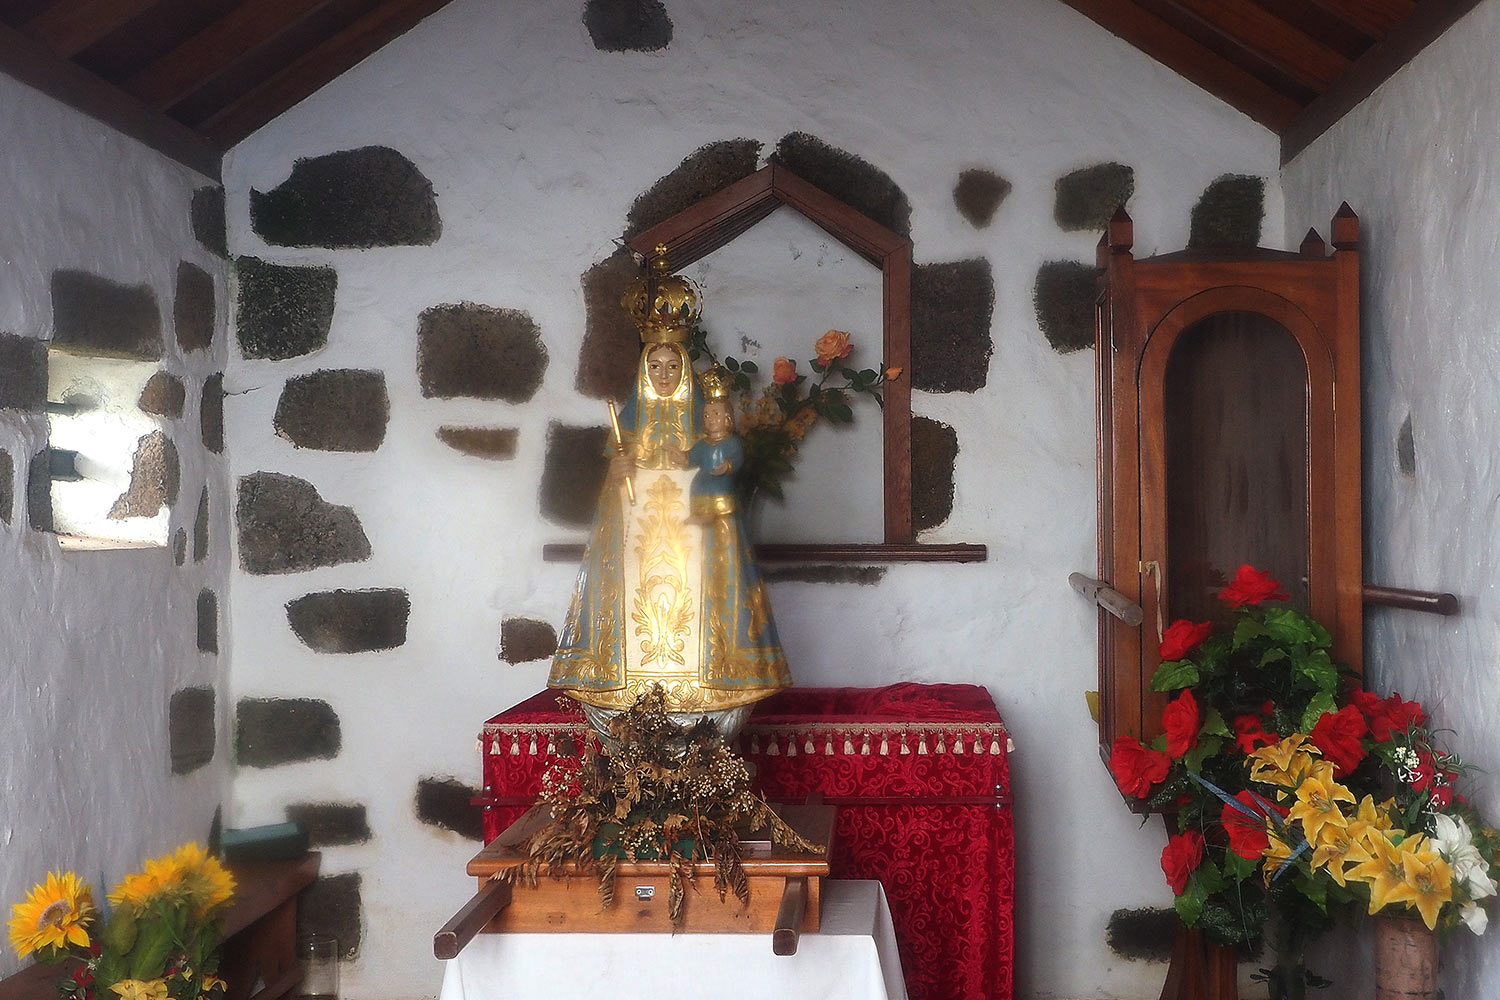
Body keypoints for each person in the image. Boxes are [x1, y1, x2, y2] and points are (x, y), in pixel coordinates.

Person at [549, 252, 789, 734]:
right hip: (639, 553)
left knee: (705, 623)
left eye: (671, 365)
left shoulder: (708, 426)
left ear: (684, 368)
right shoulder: (630, 425)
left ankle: (706, 694)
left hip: (696, 551)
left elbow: (722, 478)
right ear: (643, 368)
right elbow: (613, 509)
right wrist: (618, 471)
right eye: (654, 364)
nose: (662, 374)